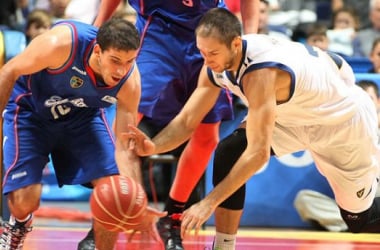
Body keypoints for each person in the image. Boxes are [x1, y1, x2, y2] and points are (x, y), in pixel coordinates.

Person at [126, 8, 380, 250]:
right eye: (202, 52)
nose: (207, 60)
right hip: (293, 116)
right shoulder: (216, 65)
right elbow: (187, 120)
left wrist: (208, 203)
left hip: (340, 124)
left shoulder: (261, 72)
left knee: (358, 221)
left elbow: (258, 155)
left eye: (212, 53)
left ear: (236, 44)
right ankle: (224, 245)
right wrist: (155, 145)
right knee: (230, 150)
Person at [78, 1, 260, 250]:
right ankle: (106, 219)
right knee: (128, 126)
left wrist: (251, 36)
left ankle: (172, 219)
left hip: (209, 33)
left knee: (207, 137)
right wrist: (98, 25)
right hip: (158, 32)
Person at [0, 18, 165, 250]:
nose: (121, 70)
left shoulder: (131, 82)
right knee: (24, 202)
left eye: (129, 61)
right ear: (98, 51)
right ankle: (19, 223)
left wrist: (135, 198)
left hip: (81, 118)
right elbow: (9, 70)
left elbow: (124, 144)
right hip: (30, 112)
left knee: (115, 193)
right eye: (115, 60)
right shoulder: (61, 43)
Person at [294, 79, 380, 232]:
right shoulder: (343, 134)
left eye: (370, 99)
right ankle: (356, 224)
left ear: (378, 102)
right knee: (304, 200)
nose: (365, 106)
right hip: (356, 204)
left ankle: (356, 225)